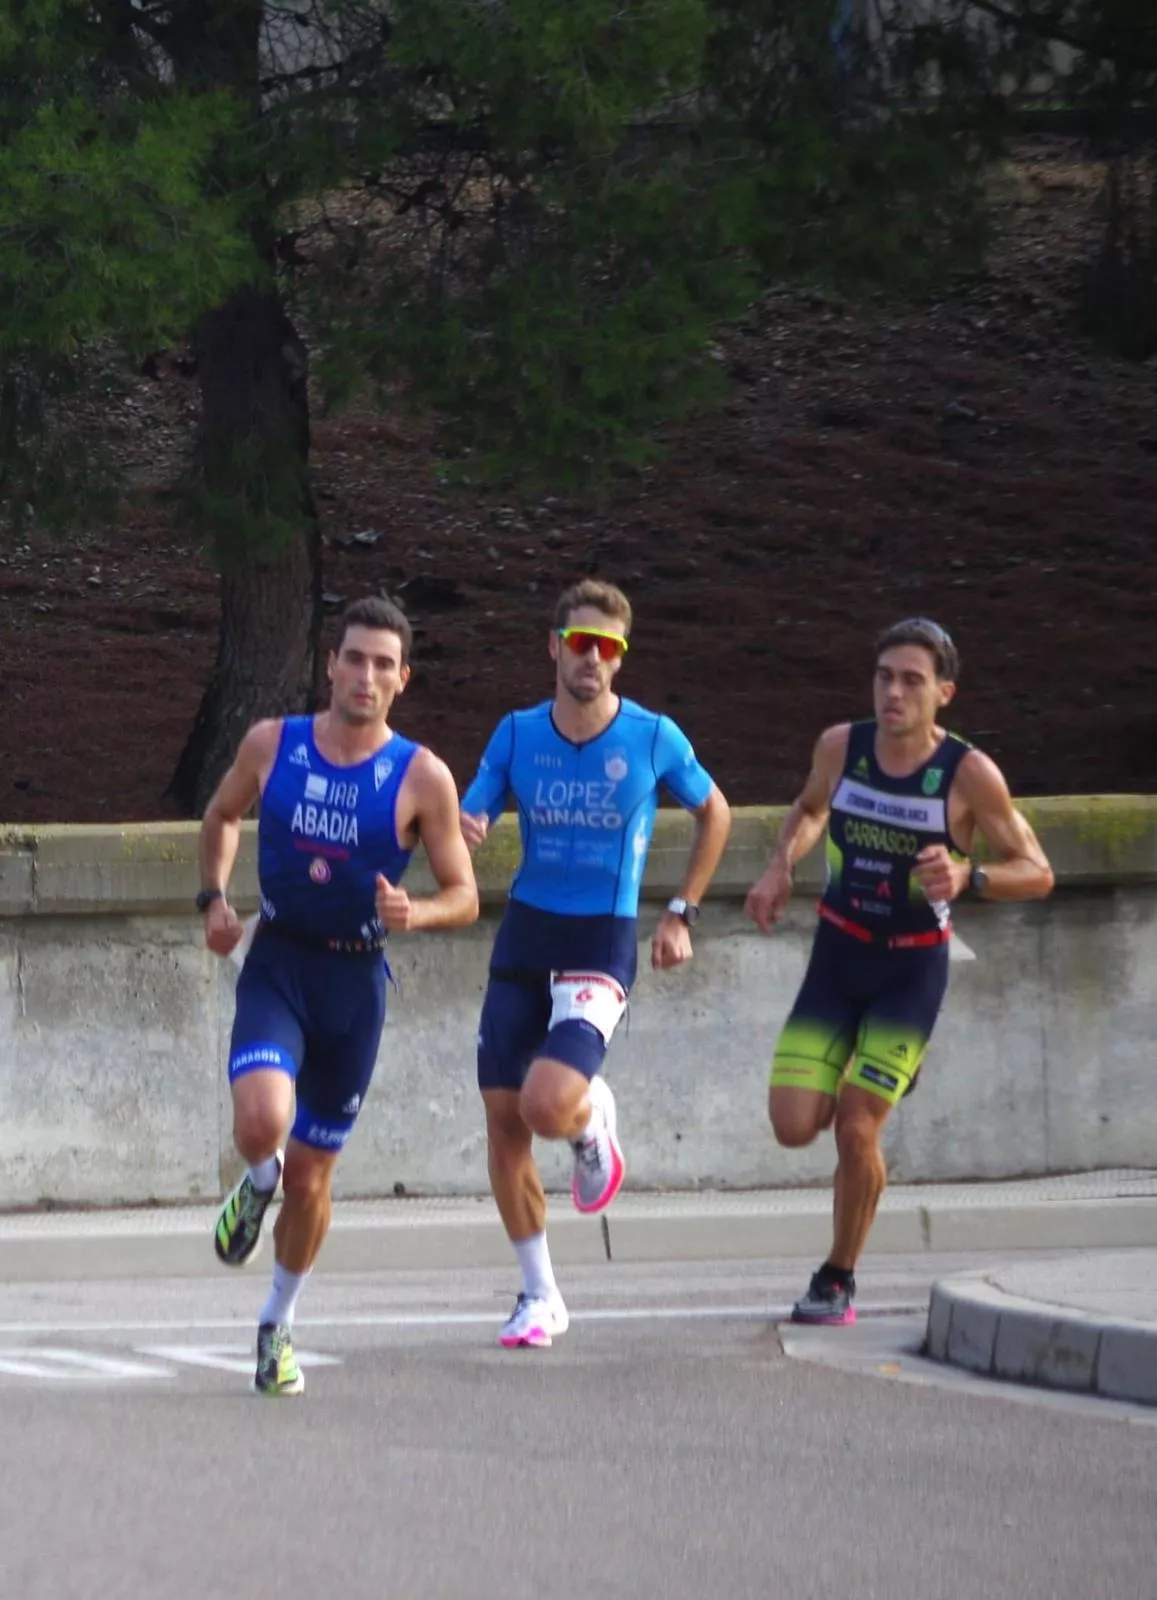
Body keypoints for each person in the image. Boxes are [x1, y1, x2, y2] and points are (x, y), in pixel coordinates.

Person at [198, 595, 479, 1395]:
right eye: (353, 657)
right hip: (279, 962)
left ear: (402, 680)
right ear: (330, 664)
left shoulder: (421, 775)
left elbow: (462, 893)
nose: (365, 675)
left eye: (383, 664)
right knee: (261, 1123)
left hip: (355, 984)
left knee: (314, 1179)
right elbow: (220, 816)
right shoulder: (271, 744)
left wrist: (415, 911)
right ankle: (255, 1186)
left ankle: (276, 1327)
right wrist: (213, 900)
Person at [744, 617, 1054, 1326]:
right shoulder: (839, 746)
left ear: (942, 692)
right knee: (795, 1125)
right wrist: (777, 865)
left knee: (856, 1127)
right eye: (884, 676)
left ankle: (837, 1276)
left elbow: (1037, 872)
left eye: (911, 680)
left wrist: (970, 874)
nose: (893, 692)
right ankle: (859, 1159)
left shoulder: (969, 775)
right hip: (836, 956)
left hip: (909, 971)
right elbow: (808, 807)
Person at [460, 579, 732, 1349]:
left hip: (600, 940)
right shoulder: (517, 733)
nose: (592, 658)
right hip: (526, 933)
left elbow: (714, 811)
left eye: (608, 648)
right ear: (553, 647)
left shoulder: (651, 737)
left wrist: (682, 909)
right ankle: (539, 1295)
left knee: (547, 1106)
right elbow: (472, 805)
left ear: (621, 658)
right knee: (503, 1120)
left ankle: (590, 1122)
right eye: (580, 642)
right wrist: (468, 823)